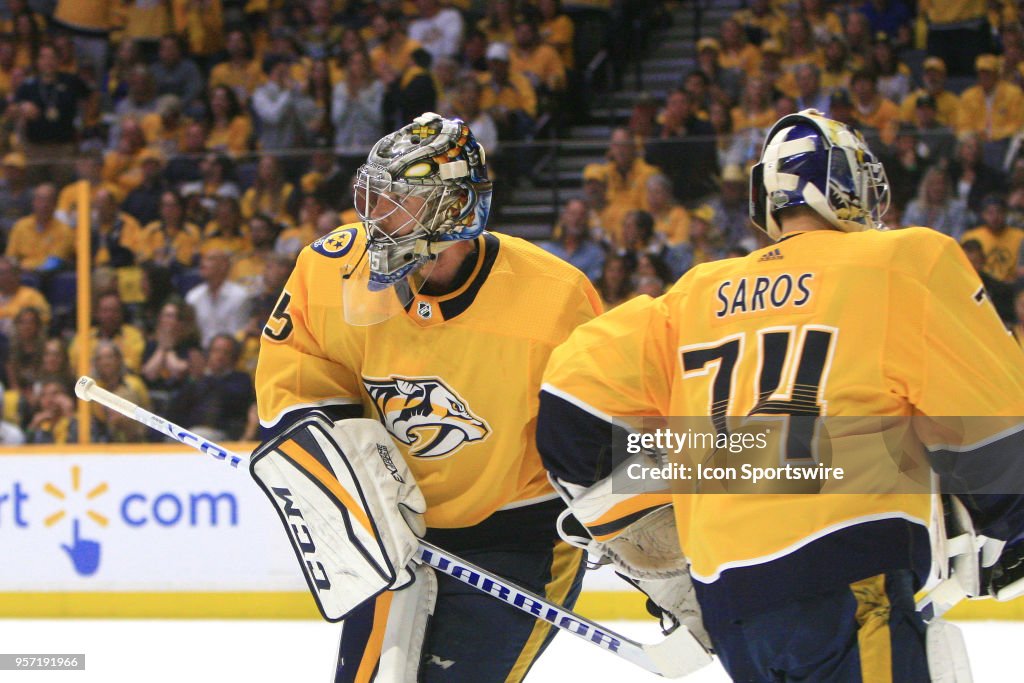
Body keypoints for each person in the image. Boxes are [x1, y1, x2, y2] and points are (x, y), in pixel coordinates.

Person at [536, 109, 1024, 682]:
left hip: (729, 596)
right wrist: (1005, 533)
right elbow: (996, 425)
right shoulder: (902, 260)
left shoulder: (695, 294)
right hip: (850, 564)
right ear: (853, 187)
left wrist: (648, 539)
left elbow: (568, 409)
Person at [253, 113, 600, 681]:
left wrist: (641, 545)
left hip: (517, 542)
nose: (376, 218)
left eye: (400, 202)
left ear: (454, 209)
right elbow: (295, 372)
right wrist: (350, 481)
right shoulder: (333, 267)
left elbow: (599, 430)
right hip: (392, 535)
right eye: (376, 197)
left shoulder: (555, 298)